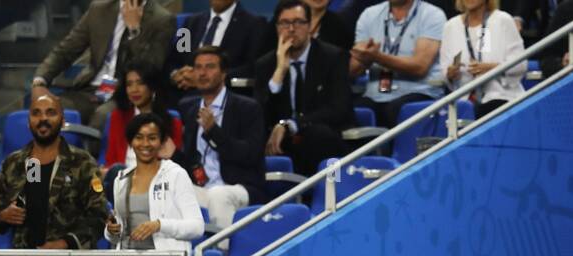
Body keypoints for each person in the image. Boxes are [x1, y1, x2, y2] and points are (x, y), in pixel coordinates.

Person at [0, 93, 106, 256]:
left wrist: (65, 243)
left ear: (62, 120)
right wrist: (2, 217)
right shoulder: (14, 163)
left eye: (50, 113)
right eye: (36, 113)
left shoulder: (83, 163)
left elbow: (99, 217)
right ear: (28, 122)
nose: (43, 119)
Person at [31, 0, 175, 128]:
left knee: (103, 117)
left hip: (127, 93)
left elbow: (151, 68)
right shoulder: (98, 9)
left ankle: (90, 158)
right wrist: (40, 81)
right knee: (50, 110)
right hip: (89, 90)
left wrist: (134, 31)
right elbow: (65, 50)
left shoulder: (162, 20)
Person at [174, 46, 268, 240]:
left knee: (218, 195)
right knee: (169, 189)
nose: (202, 72)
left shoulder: (247, 108)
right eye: (198, 67)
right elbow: (191, 162)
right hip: (203, 187)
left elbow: (250, 155)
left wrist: (214, 132)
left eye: (209, 67)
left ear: (224, 72)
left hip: (240, 186)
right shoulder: (189, 108)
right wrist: (172, 153)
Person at [256, 0, 353, 177]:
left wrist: (290, 125)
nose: (291, 29)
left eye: (299, 22)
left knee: (317, 135)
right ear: (277, 27)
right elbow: (260, 115)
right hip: (282, 142)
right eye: (285, 23)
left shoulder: (333, 57)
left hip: (321, 138)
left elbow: (339, 110)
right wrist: (279, 73)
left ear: (310, 26)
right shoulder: (266, 64)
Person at [105, 113, 205, 256]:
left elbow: (197, 227)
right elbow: (119, 233)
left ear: (161, 142)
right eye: (139, 138)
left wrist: (159, 225)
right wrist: (111, 231)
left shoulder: (176, 175)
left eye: (152, 138)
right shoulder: (120, 180)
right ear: (130, 142)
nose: (145, 144)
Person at [350, 0, 446, 128]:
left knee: (395, 109)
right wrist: (364, 58)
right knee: (351, 111)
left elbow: (420, 66)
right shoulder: (369, 15)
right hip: (375, 94)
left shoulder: (432, 15)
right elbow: (353, 70)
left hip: (419, 92)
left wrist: (377, 57)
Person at [440, 0, 527, 120]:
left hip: (501, 96)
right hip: (464, 100)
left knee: (488, 110)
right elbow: (444, 71)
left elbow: (520, 65)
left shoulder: (502, 20)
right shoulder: (450, 26)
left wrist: (492, 68)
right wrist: (450, 73)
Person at [169, 0, 266, 96]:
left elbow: (252, 67)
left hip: (228, 96)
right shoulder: (190, 22)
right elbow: (175, 58)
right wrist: (176, 74)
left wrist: (206, 77)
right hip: (186, 92)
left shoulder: (254, 24)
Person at [102, 65, 183, 171]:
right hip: (121, 177)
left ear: (152, 87)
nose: (134, 90)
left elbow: (175, 166)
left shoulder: (172, 123)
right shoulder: (118, 117)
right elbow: (111, 159)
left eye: (140, 83)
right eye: (129, 84)